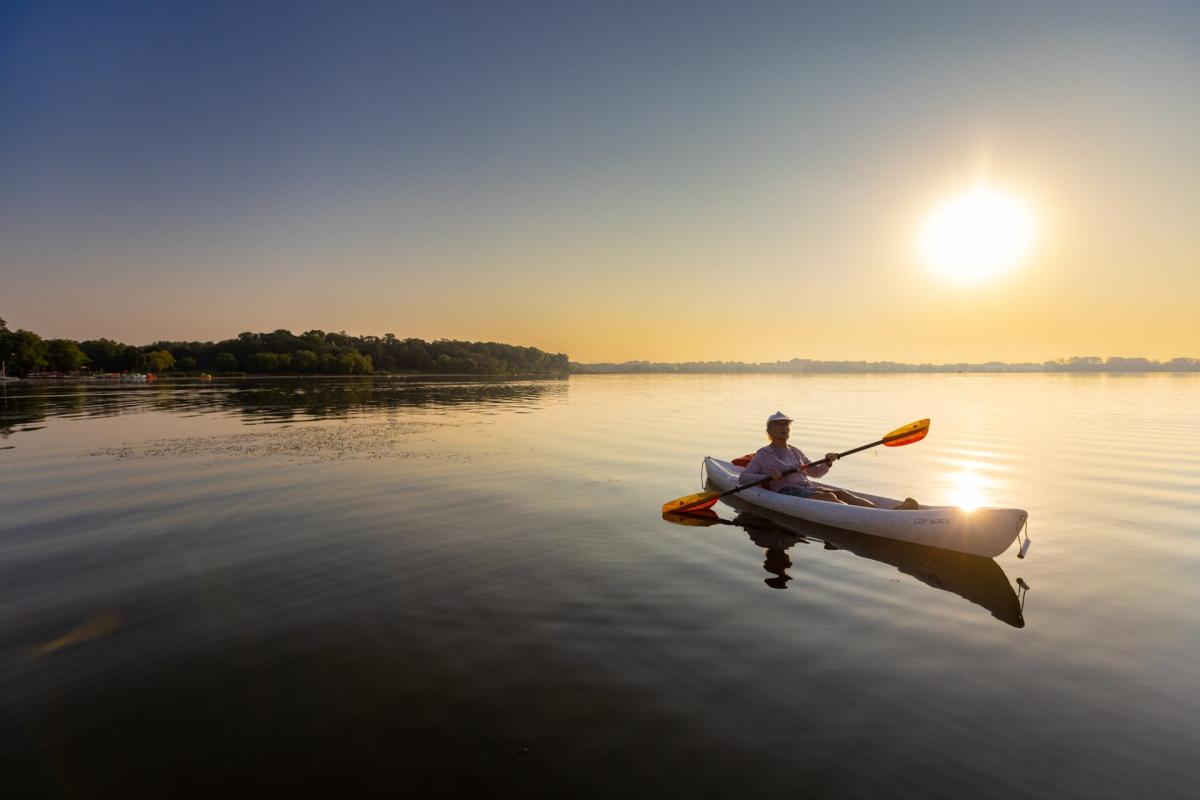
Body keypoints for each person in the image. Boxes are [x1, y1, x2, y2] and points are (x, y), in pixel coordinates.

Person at [739, 411, 916, 508]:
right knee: (830, 497)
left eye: (787, 425)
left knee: (842, 494)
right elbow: (744, 478)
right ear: (770, 430)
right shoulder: (764, 454)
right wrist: (768, 476)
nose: (784, 428)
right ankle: (869, 517)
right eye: (779, 425)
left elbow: (815, 473)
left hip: (806, 488)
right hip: (787, 492)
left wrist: (827, 461)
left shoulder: (795, 451)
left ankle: (888, 512)